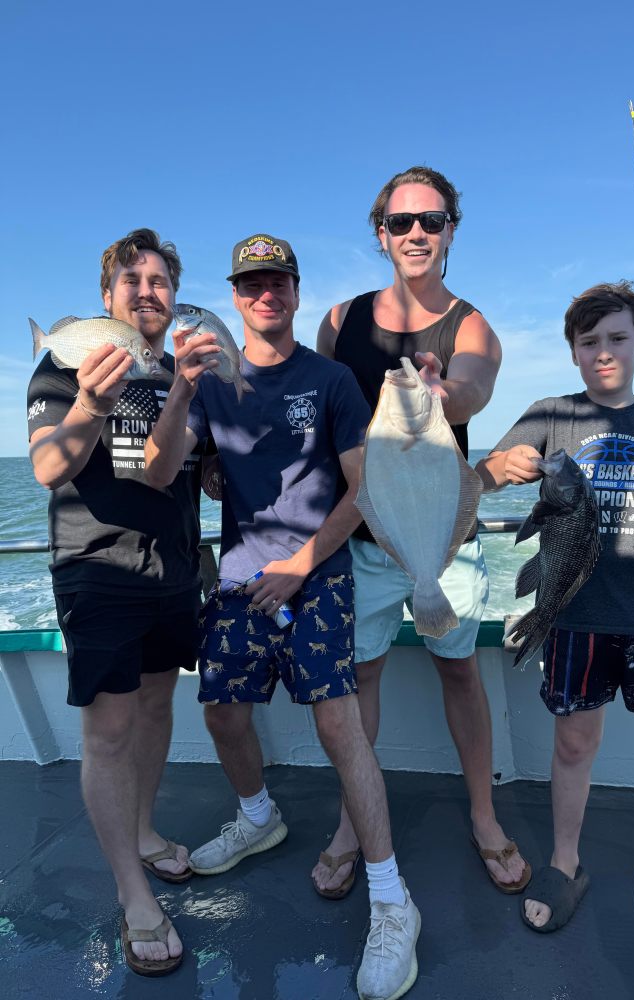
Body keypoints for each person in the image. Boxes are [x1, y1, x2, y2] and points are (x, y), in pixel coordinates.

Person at [144, 233, 421, 1000]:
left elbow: (362, 488)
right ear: (235, 298)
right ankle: (257, 814)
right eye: (251, 284)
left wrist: (303, 564)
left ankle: (394, 899)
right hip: (237, 578)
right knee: (223, 715)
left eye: (277, 282)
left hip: (318, 575)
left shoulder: (330, 380)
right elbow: (164, 471)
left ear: (296, 292)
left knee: (339, 727)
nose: (265, 295)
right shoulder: (207, 381)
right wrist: (177, 391)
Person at [476, 280, 634, 932]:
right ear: (574, 353)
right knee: (574, 745)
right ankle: (565, 863)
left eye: (617, 338)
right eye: (590, 342)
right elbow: (491, 467)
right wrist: (512, 462)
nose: (604, 352)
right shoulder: (553, 412)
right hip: (577, 617)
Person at [315, 166, 531, 897]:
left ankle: (484, 813)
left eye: (431, 221)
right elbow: (316, 416)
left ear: (449, 231)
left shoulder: (470, 324)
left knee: (459, 669)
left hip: (442, 534)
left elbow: (473, 385)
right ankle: (352, 821)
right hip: (365, 534)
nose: (416, 234)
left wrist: (445, 392)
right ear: (381, 234)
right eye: (402, 222)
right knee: (361, 674)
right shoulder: (339, 321)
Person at [27, 229, 202, 976]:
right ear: (108, 297)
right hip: (97, 567)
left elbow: (186, 473)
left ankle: (144, 831)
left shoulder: (183, 370)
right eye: (131, 280)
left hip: (174, 566)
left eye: (160, 280)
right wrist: (94, 404)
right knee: (109, 730)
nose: (146, 290)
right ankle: (133, 893)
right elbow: (45, 465)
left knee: (159, 706)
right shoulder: (64, 360)